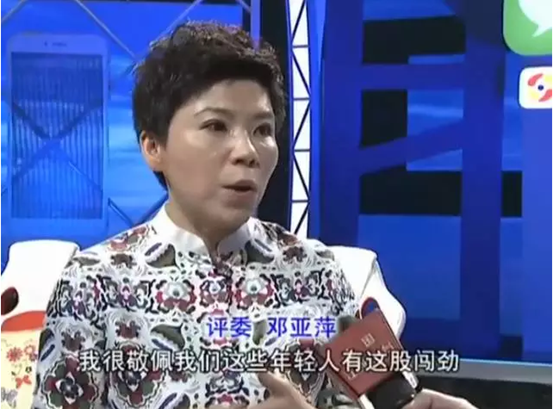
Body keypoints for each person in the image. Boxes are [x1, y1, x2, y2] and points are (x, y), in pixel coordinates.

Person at [31, 22, 477, 409]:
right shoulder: (93, 283)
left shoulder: (319, 271)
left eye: (262, 130)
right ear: (153, 147)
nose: (247, 152)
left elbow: (392, 396)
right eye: (216, 126)